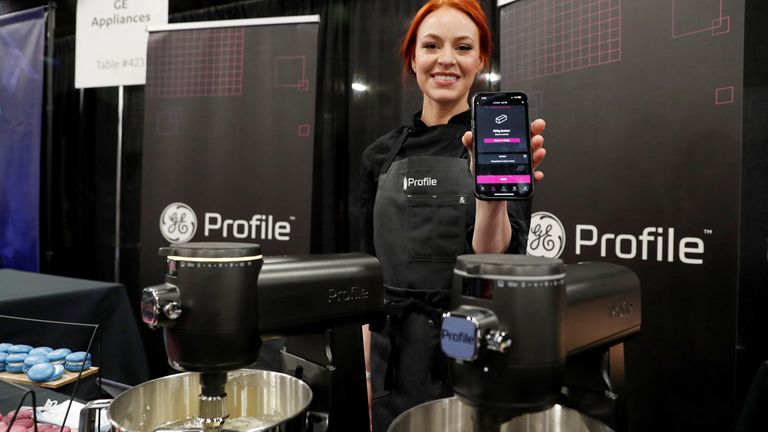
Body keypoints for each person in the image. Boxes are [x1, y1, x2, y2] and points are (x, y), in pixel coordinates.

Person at [357, 1, 548, 430]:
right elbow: (367, 277)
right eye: (431, 45)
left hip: (472, 344)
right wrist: (365, 375)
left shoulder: (499, 145)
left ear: (480, 60)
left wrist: (491, 198)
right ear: (413, 57)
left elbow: (497, 258)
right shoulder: (378, 155)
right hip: (394, 357)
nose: (446, 59)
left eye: (463, 47)